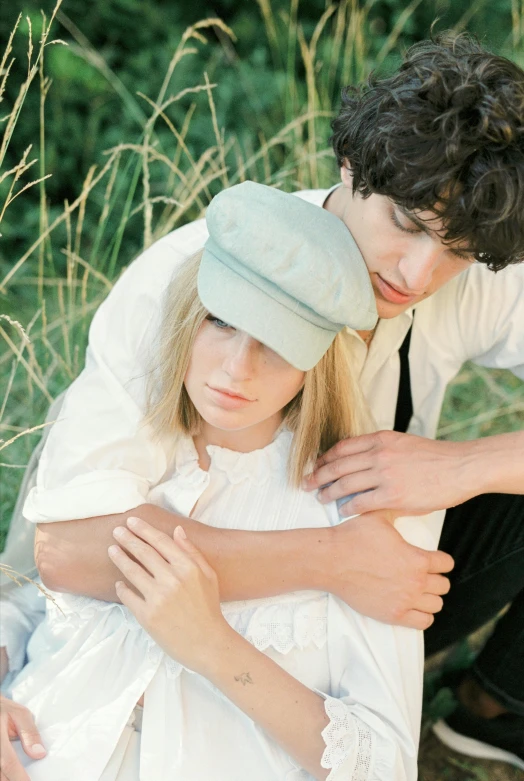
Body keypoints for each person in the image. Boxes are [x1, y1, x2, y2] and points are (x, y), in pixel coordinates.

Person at [2, 30, 524, 773]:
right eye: (405, 224)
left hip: (386, 601)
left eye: (458, 253)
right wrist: (334, 559)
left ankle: (490, 711)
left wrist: (466, 465)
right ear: (352, 167)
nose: (418, 272)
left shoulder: (466, 264)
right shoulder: (193, 280)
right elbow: (65, 549)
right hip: (186, 615)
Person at [6, 182, 430, 780]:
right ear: (187, 314)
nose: (236, 368)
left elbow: (383, 767)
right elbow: (39, 602)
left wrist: (212, 645)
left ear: (318, 363)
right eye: (222, 323)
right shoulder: (132, 451)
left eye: (278, 345)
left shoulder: (357, 515)